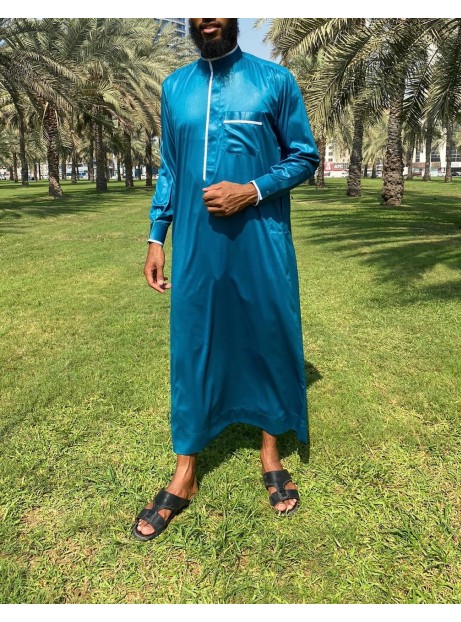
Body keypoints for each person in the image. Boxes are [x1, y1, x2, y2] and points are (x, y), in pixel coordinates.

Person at [132, 18, 320, 541]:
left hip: (261, 240)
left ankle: (270, 451)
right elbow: (171, 168)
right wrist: (156, 235)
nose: (207, 17)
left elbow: (304, 156)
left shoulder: (274, 80)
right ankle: (185, 470)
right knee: (193, 343)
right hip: (197, 246)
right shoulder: (176, 88)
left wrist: (252, 190)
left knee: (267, 334)